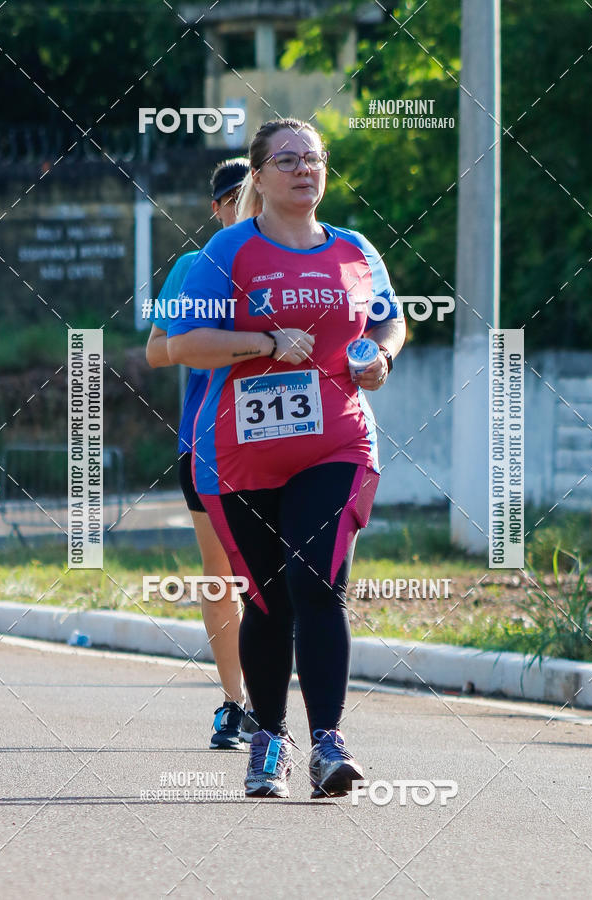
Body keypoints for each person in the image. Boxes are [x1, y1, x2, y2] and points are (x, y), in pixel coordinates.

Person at [168, 118, 406, 798]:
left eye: (315, 158)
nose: (305, 169)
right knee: (267, 598)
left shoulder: (354, 251)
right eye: (288, 159)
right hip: (242, 454)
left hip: (336, 441)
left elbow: (390, 317)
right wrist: (263, 342)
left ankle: (329, 744)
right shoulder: (227, 253)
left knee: (316, 583)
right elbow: (185, 344)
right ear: (260, 176)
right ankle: (268, 736)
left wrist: (381, 354)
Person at [146, 158, 260, 750]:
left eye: (253, 193)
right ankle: (234, 704)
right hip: (209, 441)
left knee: (280, 578)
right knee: (222, 578)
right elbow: (157, 351)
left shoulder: (293, 261)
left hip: (287, 443)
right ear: (216, 209)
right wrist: (224, 345)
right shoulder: (196, 267)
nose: (246, 205)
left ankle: (284, 709)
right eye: (233, 198)